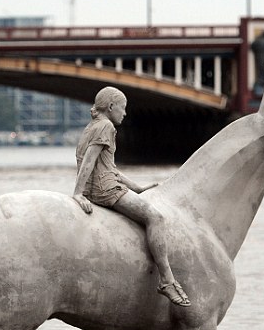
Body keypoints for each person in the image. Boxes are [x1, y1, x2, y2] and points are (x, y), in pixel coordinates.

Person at [73, 87, 191, 307]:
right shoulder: (106, 126)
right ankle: (167, 280)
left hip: (101, 185)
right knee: (155, 218)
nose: (125, 113)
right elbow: (89, 160)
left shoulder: (92, 126)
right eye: (123, 108)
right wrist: (78, 193)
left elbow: (109, 167)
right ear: (111, 107)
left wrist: (136, 188)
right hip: (105, 190)